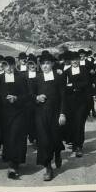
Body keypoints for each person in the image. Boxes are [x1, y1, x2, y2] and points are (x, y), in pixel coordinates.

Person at [31, 52, 66, 181]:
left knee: (55, 138)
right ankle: (48, 167)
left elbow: (63, 97)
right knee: (44, 141)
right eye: (43, 64)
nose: (45, 66)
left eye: (47, 63)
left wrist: (62, 113)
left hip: (55, 113)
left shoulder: (58, 77)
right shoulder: (37, 78)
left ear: (52, 64)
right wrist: (36, 98)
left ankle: (57, 153)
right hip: (41, 114)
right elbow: (31, 94)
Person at [0, 56, 29, 179]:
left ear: (14, 65)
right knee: (7, 138)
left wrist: (17, 98)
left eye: (11, 65)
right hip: (4, 114)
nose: (8, 68)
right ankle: (11, 161)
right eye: (6, 65)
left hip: (19, 112)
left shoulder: (21, 77)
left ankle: (13, 164)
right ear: (3, 67)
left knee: (16, 136)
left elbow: (27, 95)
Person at [64, 52, 90, 158]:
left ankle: (78, 146)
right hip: (70, 102)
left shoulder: (84, 70)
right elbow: (63, 86)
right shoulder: (66, 72)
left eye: (76, 59)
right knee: (71, 123)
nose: (74, 61)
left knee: (79, 123)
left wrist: (73, 85)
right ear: (70, 61)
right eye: (72, 60)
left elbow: (86, 83)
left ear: (79, 60)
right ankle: (73, 142)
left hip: (81, 101)